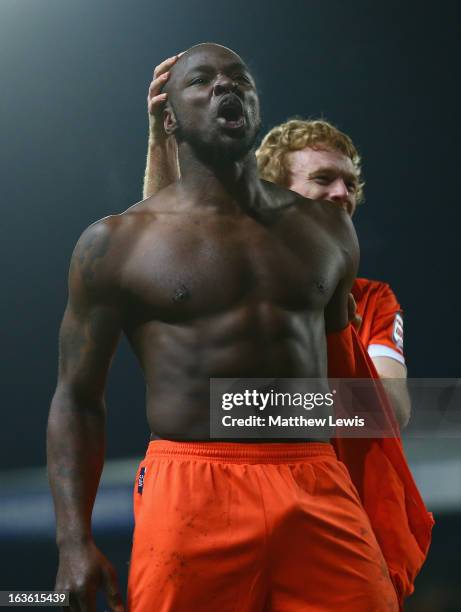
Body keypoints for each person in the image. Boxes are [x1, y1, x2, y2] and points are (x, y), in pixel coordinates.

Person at [47, 43, 402, 611]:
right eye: (202, 81)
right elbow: (76, 397)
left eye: (239, 77)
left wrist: (384, 503)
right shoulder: (115, 244)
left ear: (257, 107)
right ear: (169, 119)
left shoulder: (327, 232)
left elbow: (349, 386)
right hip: (192, 487)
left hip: (315, 481)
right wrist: (72, 540)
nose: (225, 87)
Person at [144, 58, 411, 429]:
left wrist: (335, 332)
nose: (341, 193)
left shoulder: (372, 300)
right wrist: (162, 139)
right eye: (323, 178)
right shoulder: (234, 273)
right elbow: (165, 247)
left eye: (350, 184)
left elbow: (391, 412)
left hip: (338, 481)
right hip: (235, 475)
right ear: (276, 191)